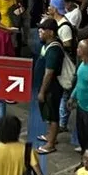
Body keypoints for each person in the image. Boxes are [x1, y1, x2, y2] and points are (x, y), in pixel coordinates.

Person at [35, 18, 69, 154]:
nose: (39, 32)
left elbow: (49, 73)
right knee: (48, 114)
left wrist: (42, 91)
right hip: (47, 87)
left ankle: (50, 143)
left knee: (53, 115)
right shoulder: (47, 44)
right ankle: (50, 135)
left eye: (42, 30)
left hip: (52, 88)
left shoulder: (54, 49)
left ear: (50, 32)